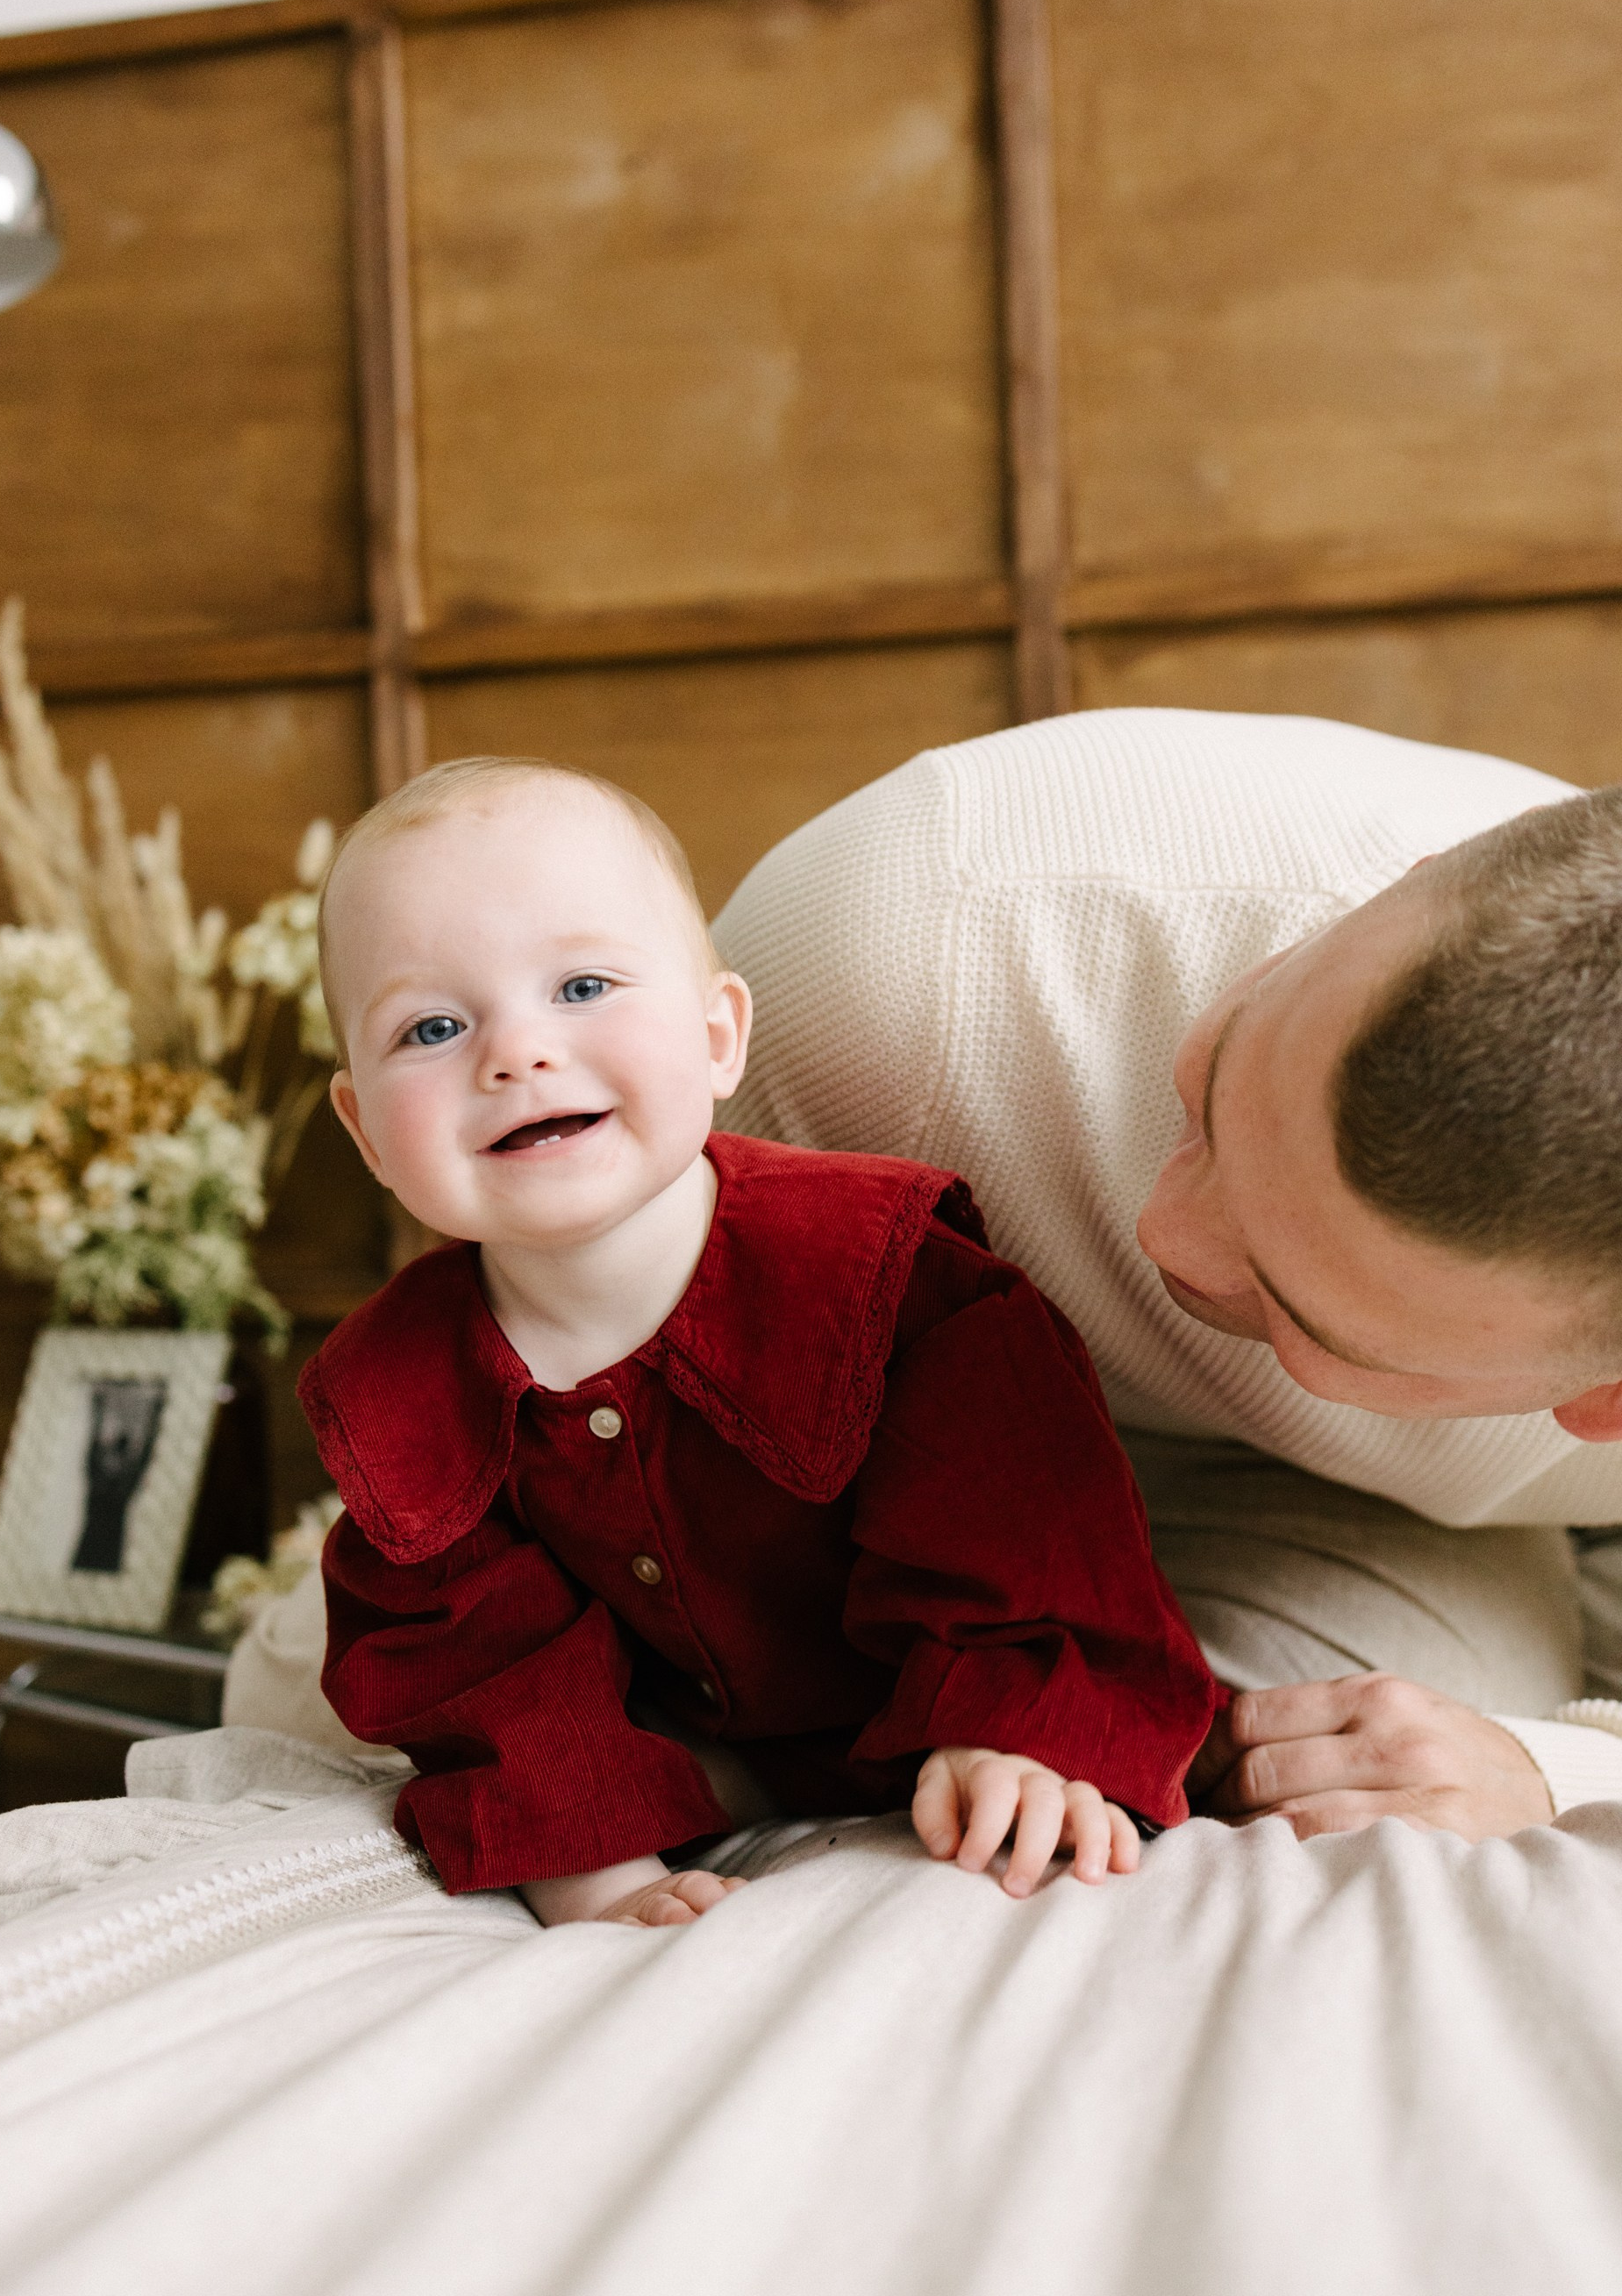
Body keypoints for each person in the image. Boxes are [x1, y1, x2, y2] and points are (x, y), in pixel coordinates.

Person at [298, 756, 1217, 1927]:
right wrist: (597, 1876)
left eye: (582, 986)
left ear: (720, 1035)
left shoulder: (891, 1281)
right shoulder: (405, 1396)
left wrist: (1009, 1736)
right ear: (366, 1131)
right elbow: (478, 1673)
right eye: (432, 1026)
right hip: (697, 1749)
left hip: (927, 1709)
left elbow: (1029, 1535)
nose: (515, 1054)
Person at [713, 707, 1622, 1845]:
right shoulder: (920, 941)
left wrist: (1561, 1762)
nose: (1163, 1238)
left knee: (1346, 1800)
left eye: (1297, 1310)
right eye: (1214, 1084)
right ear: (1410, 880)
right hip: (948, 1463)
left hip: (1400, 1532)